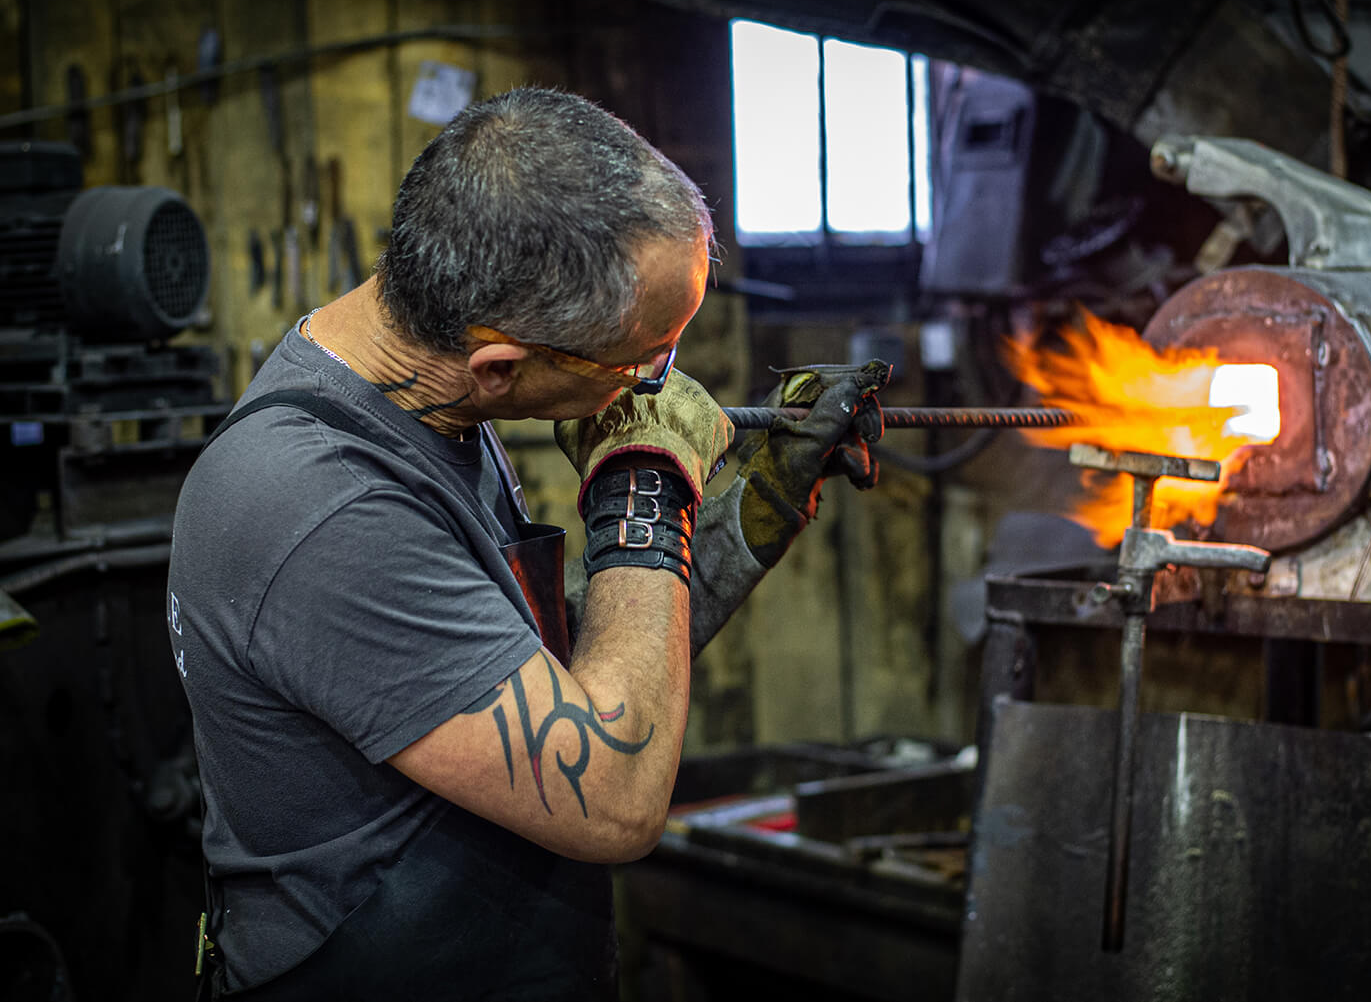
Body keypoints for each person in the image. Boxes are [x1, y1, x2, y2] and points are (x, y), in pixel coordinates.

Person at [166, 87, 886, 1000]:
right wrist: (643, 481)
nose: (660, 382)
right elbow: (611, 794)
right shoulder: (324, 507)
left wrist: (755, 507)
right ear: (501, 365)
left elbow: (533, 684)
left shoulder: (429, 399)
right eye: (644, 362)